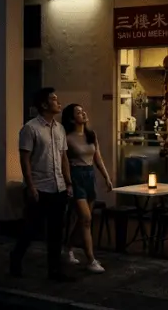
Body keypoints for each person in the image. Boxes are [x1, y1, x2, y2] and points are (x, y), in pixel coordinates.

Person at [10, 87, 74, 281]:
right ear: (44, 104)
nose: (58, 102)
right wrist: (30, 186)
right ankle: (16, 258)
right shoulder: (30, 128)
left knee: (56, 231)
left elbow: (64, 158)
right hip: (40, 187)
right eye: (54, 99)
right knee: (31, 229)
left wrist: (68, 183)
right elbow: (25, 160)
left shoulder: (60, 128)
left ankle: (54, 271)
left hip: (58, 187)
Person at [61, 104, 112, 274]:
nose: (83, 113)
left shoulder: (91, 135)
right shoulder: (67, 137)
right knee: (86, 218)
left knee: (84, 220)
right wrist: (68, 182)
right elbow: (65, 162)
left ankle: (68, 248)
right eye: (78, 112)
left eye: (83, 110)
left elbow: (98, 158)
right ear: (71, 118)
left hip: (90, 176)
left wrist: (106, 177)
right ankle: (91, 259)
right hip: (76, 177)